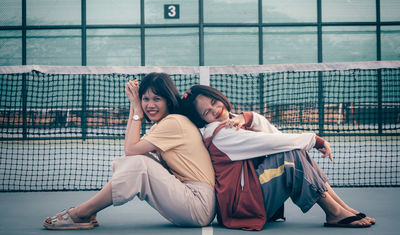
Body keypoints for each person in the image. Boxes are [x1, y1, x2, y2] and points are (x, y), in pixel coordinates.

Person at [181, 84, 375, 230]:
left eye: (214, 102)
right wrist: (314, 140)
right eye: (207, 112)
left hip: (249, 193)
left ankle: (341, 207)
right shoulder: (220, 134)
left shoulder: (232, 121)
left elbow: (274, 134)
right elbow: (272, 142)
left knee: (295, 151)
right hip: (240, 205)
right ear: (202, 119)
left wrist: (248, 117)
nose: (215, 110)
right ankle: (334, 213)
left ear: (219, 97)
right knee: (292, 158)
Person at [43, 73, 216, 230]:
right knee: (129, 161)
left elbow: (130, 149)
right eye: (145, 99)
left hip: (198, 203)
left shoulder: (174, 122)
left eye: (157, 99)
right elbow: (131, 150)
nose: (150, 105)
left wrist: (136, 109)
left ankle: (82, 212)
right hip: (190, 199)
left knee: (137, 163)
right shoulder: (165, 124)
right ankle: (87, 212)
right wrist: (135, 107)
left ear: (168, 100)